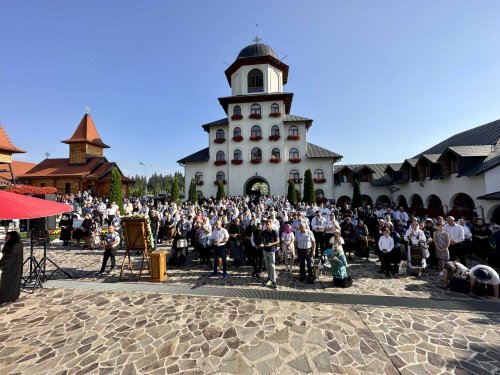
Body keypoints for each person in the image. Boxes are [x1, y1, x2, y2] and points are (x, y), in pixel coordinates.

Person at [0, 231, 23, 304]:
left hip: (11, 267)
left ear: (12, 237)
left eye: (7, 236)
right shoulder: (13, 243)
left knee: (8, 283)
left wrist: (1, 265)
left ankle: (6, 298)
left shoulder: (15, 245)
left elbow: (8, 258)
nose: (5, 238)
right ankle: (11, 296)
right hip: (12, 266)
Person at [261, 219, 280, 289]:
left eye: (268, 224)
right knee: (267, 265)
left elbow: (278, 241)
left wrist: (271, 244)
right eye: (266, 225)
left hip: (271, 250)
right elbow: (262, 240)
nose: (267, 226)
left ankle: (274, 281)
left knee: (272, 266)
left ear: (271, 224)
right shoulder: (264, 232)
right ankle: (269, 277)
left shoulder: (274, 232)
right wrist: (262, 244)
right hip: (265, 250)